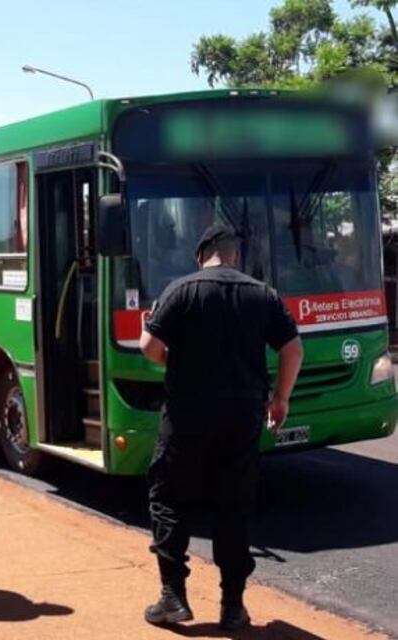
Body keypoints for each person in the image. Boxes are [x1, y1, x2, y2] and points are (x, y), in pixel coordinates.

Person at [138, 223, 304, 630]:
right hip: (242, 416)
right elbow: (292, 348)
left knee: (169, 499)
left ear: (203, 255)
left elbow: (150, 347)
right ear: (235, 256)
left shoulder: (180, 290)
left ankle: (173, 597)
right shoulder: (262, 294)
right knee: (233, 506)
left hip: (186, 415)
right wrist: (280, 398)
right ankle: (232, 607)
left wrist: (178, 363)